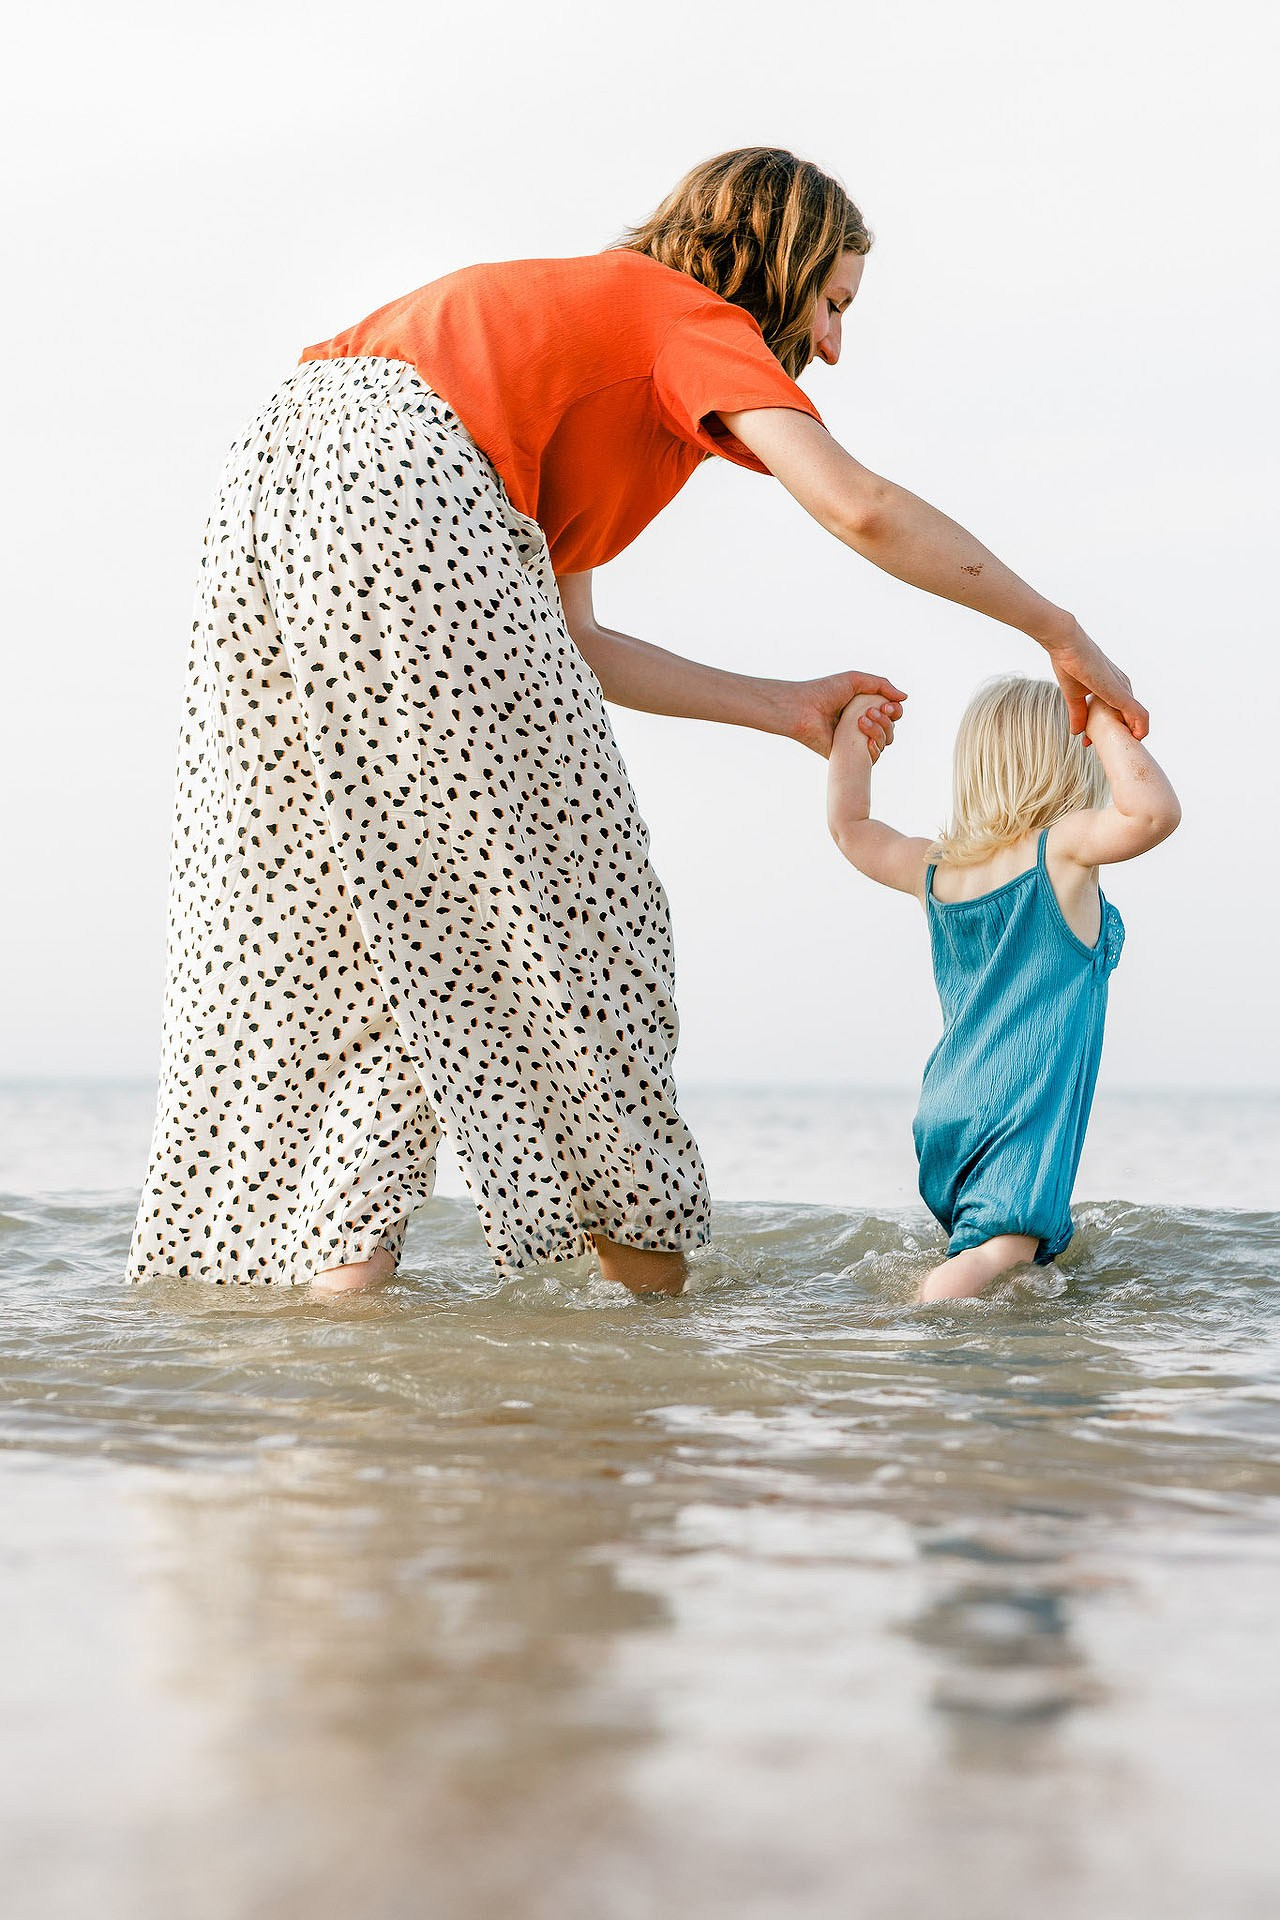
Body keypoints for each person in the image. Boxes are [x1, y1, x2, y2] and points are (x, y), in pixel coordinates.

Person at [127, 146, 1147, 1300]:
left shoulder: (574, 337)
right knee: (587, 903)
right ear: (776, 263)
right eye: (830, 302)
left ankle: (339, 1300)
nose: (829, 346)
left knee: (370, 923)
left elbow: (576, 640)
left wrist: (783, 708)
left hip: (272, 484)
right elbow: (856, 505)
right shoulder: (686, 314)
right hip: (402, 473)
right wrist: (1056, 628)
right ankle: (642, 1300)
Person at [826, 676, 1180, 1300]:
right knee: (999, 1252)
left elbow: (851, 827)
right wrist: (1100, 713)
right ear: (1075, 759)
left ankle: (951, 1301)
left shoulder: (935, 867)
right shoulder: (1060, 854)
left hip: (948, 1102)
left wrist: (853, 735)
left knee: (1009, 1260)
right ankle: (917, 1321)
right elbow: (1153, 813)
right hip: (1018, 1103)